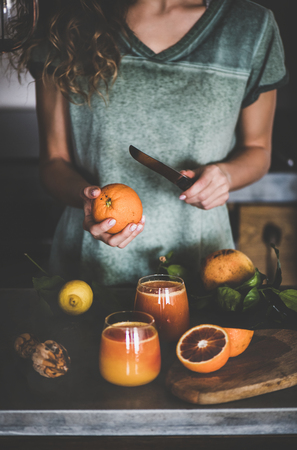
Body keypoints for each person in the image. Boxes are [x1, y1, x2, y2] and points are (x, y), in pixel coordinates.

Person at [11, 0, 288, 286]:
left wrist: (225, 176)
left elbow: (258, 149)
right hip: (88, 268)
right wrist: (86, 201)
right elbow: (54, 162)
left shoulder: (251, 26)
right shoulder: (65, 20)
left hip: (203, 266)